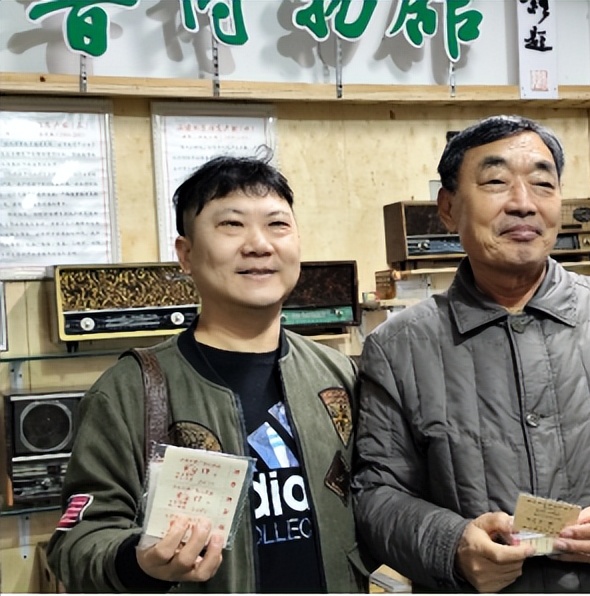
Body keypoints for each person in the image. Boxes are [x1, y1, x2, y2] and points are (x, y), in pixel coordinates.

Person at [352, 115, 590, 593]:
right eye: (495, 182)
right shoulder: (399, 347)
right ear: (448, 208)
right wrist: (452, 545)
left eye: (542, 184)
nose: (523, 203)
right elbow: (376, 495)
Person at [47, 152, 369, 593]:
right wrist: (140, 562)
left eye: (277, 224)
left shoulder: (337, 374)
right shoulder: (129, 390)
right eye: (231, 224)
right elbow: (78, 540)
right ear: (186, 254)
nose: (259, 244)